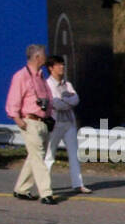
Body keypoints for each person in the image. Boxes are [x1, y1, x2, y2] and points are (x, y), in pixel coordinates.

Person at [7, 44, 56, 205]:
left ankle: (21, 188)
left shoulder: (41, 77)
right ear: (37, 57)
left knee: (35, 156)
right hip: (30, 121)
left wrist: (49, 116)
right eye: (44, 55)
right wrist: (17, 119)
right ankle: (46, 193)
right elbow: (13, 99)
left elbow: (48, 98)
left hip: (43, 122)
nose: (46, 58)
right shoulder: (21, 76)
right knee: (38, 157)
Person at [42, 54, 89, 193]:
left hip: (69, 123)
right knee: (50, 155)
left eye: (62, 64)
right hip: (55, 123)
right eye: (58, 65)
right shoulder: (47, 84)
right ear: (51, 68)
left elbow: (76, 99)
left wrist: (65, 102)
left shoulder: (67, 84)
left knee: (74, 154)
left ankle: (78, 184)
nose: (62, 67)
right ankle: (44, 186)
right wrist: (66, 102)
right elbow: (55, 103)